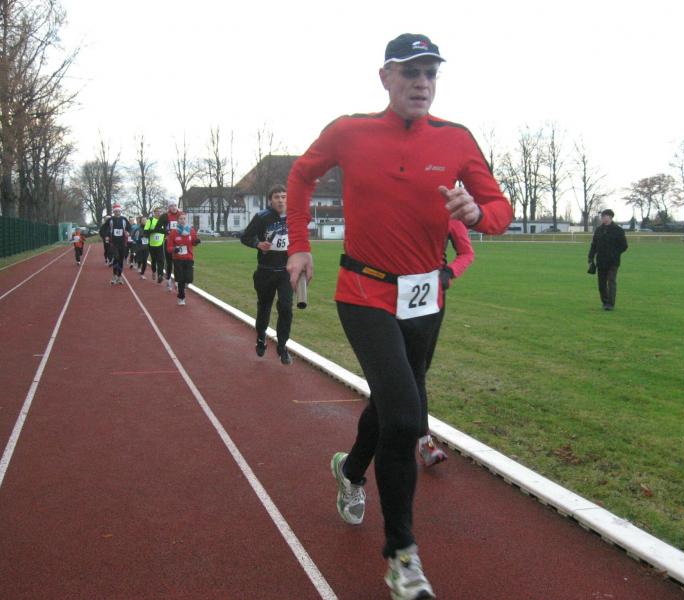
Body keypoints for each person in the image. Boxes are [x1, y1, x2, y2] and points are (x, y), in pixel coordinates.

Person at [286, 33, 512, 600]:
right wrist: (300, 244)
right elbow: (301, 176)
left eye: (431, 73)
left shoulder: (457, 139)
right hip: (364, 292)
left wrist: (477, 213)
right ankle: (402, 556)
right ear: (385, 77)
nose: (422, 83)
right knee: (408, 419)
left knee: (395, 404)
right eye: (411, 72)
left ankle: (350, 470)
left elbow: (500, 210)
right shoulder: (349, 131)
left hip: (425, 298)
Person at [418, 217, 475, 467]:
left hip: (431, 298)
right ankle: (423, 441)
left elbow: (466, 252)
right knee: (407, 373)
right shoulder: (402, 205)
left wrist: (449, 273)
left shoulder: (450, 214)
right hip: (392, 294)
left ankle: (420, 439)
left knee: (419, 370)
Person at [241, 184, 294, 365]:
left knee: (286, 307)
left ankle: (282, 346)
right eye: (277, 197)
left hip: (286, 271)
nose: (281, 200)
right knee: (264, 307)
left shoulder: (293, 217)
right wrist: (258, 244)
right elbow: (245, 237)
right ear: (270, 200)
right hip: (265, 271)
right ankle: (261, 336)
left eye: (284, 197)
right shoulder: (261, 217)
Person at [588, 208, 628, 311]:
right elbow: (594, 245)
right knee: (601, 284)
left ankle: (610, 304)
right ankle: (605, 302)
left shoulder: (618, 230)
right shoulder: (599, 230)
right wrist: (590, 258)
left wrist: (614, 254)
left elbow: (624, 246)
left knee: (611, 281)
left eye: (604, 216)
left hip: (613, 262)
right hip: (601, 261)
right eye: (602, 216)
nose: (602, 218)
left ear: (610, 217)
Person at [166, 212, 200, 305]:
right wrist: (174, 249)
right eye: (181, 219)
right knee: (180, 279)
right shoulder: (174, 232)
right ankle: (181, 298)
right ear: (177, 220)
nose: (183, 220)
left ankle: (183, 285)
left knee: (189, 279)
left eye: (184, 218)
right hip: (178, 259)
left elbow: (193, 242)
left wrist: (196, 241)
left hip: (189, 257)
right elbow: (169, 248)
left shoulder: (191, 230)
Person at [99, 204, 132, 285]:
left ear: (120, 211)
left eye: (119, 211)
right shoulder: (110, 220)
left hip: (122, 242)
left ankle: (119, 276)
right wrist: (106, 236)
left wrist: (128, 232)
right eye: (116, 211)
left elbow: (129, 228)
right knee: (116, 258)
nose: (117, 212)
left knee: (120, 260)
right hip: (113, 243)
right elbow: (103, 229)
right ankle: (114, 276)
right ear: (114, 212)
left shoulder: (124, 219)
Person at [162, 200, 182, 292]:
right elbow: (159, 227)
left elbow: (185, 226)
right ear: (169, 207)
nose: (174, 207)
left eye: (175, 205)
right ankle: (168, 279)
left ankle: (177, 281)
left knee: (177, 262)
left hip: (178, 242)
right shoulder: (165, 216)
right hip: (168, 242)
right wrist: (166, 232)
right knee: (169, 263)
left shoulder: (181, 215)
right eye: (172, 206)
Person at [144, 206, 168, 284]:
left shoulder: (164, 221)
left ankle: (160, 275)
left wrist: (164, 233)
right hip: (152, 245)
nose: (159, 213)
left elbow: (166, 231)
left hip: (160, 244)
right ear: (154, 213)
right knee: (154, 260)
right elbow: (145, 232)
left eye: (160, 212)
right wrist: (154, 230)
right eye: (157, 212)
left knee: (161, 260)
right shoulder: (150, 220)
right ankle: (154, 271)